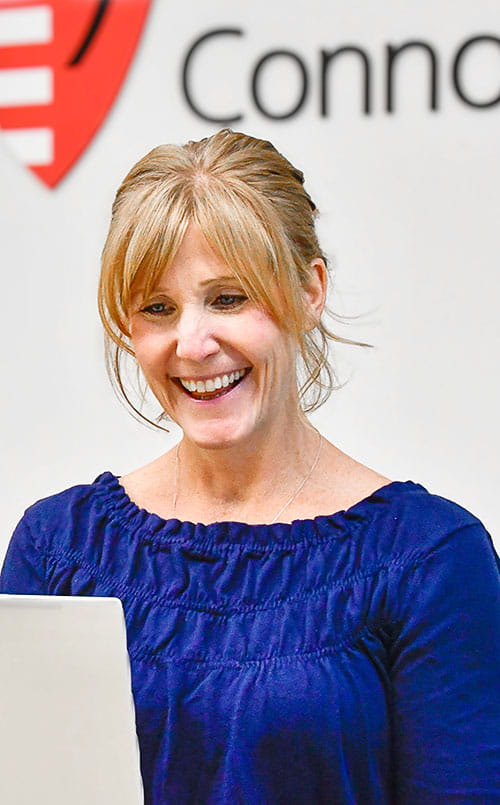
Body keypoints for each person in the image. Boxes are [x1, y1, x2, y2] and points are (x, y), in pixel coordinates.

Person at [1, 129, 500, 804]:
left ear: (310, 290)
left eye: (229, 298)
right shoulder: (57, 549)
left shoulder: (431, 557)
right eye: (157, 308)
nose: (192, 343)